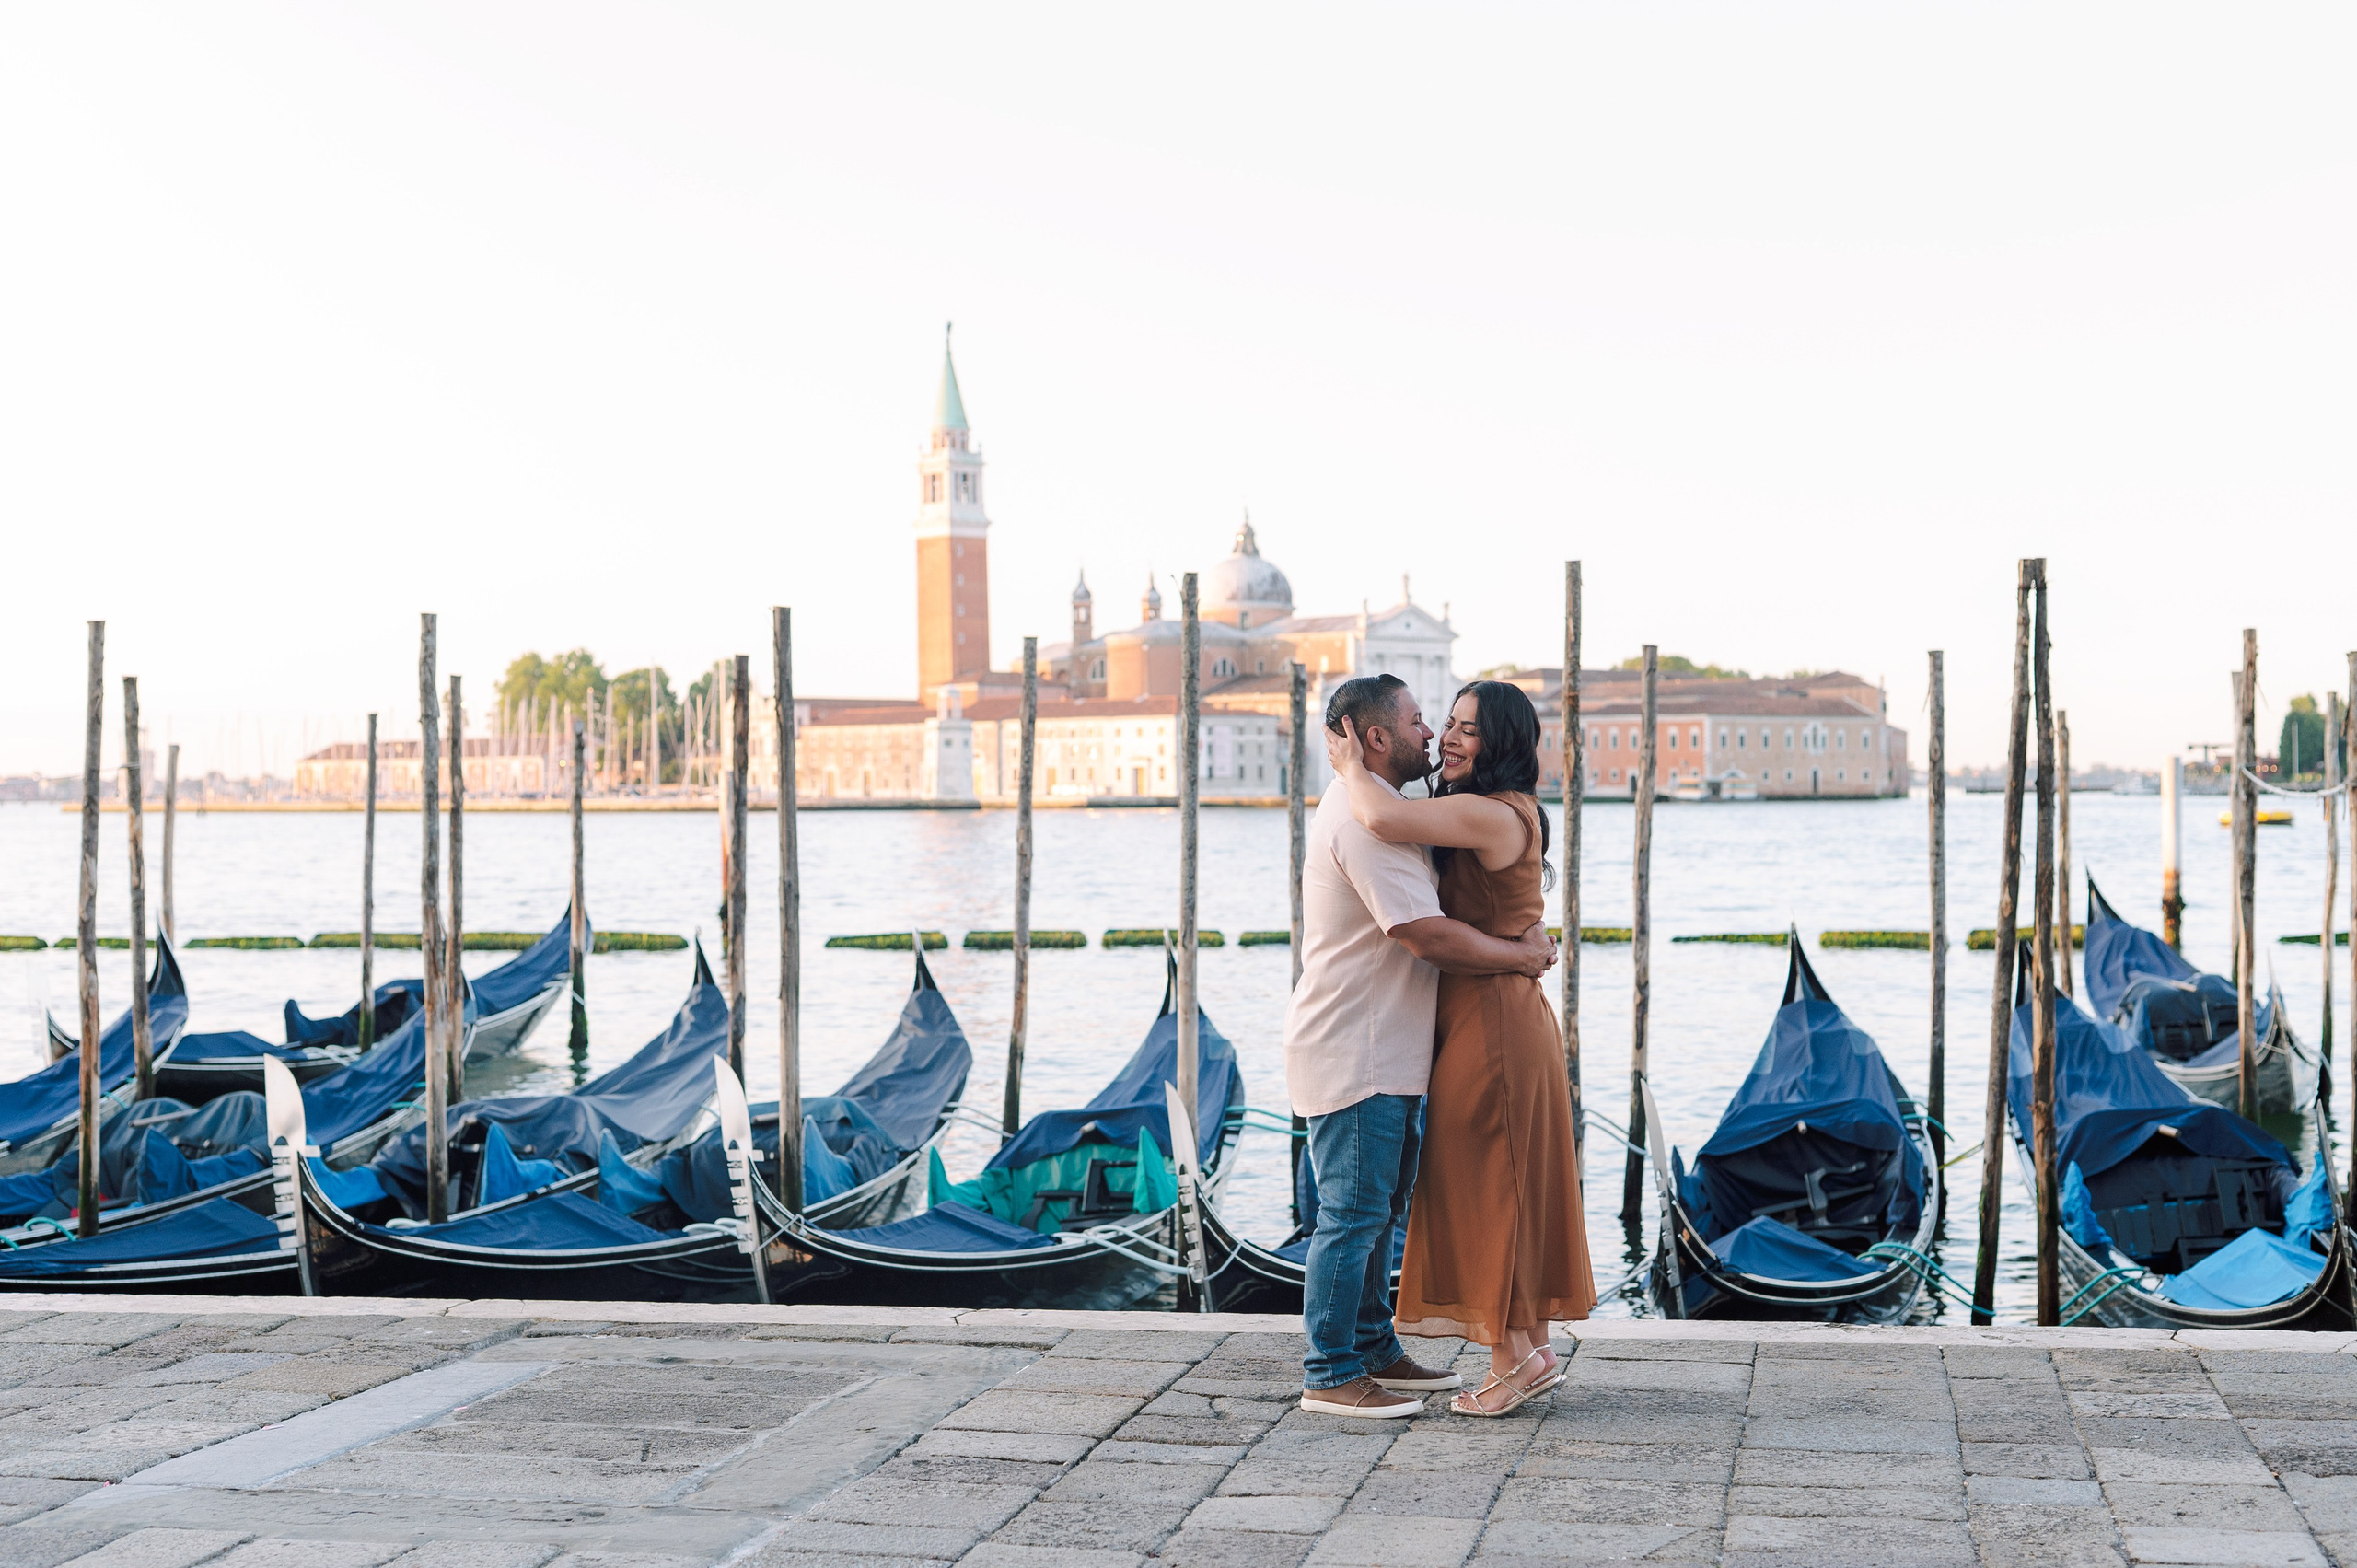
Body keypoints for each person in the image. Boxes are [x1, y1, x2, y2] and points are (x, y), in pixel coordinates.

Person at [1286, 673, 1559, 1419]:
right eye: (1424, 721)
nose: (1437, 735)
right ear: (1374, 737)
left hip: (1436, 1035)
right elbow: (1423, 932)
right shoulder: (1363, 814)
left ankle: (1381, 1347)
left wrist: (1520, 943)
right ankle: (1334, 1368)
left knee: (1408, 1203)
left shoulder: (1414, 810)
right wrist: (1520, 952)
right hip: (1366, 1042)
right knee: (1359, 1212)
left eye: (1462, 725)